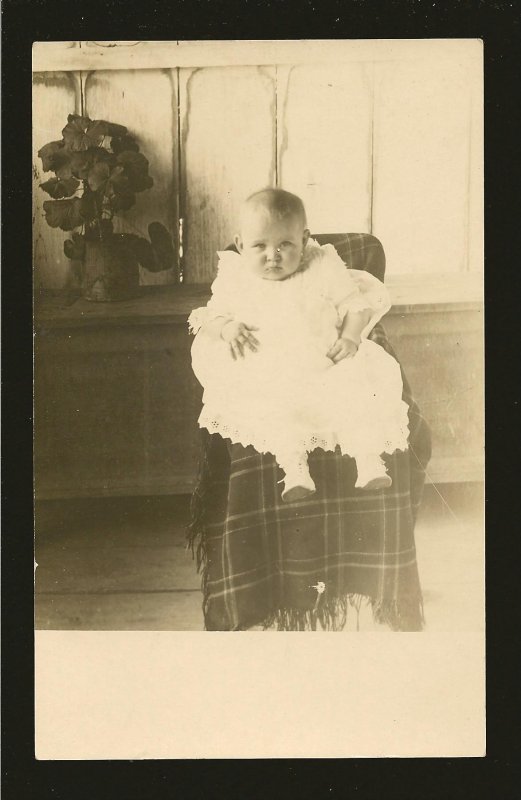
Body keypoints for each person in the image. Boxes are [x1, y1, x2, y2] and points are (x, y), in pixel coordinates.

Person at [188, 188, 410, 503]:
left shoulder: (321, 265)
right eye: (260, 246)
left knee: (357, 385)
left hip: (325, 361)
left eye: (285, 245)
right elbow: (208, 317)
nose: (272, 256)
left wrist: (350, 337)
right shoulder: (237, 276)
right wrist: (227, 327)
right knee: (276, 404)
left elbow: (355, 305)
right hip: (268, 367)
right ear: (240, 244)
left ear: (304, 241)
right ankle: (294, 469)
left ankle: (369, 460)